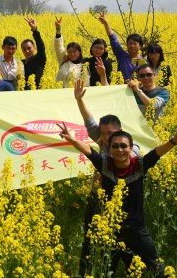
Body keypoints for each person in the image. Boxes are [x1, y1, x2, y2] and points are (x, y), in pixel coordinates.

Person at [59, 122, 177, 277]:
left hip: (136, 227)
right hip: (112, 228)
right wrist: (72, 139)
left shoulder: (139, 165)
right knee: (107, 269)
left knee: (156, 266)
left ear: (130, 148)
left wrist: (174, 140)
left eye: (123, 146)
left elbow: (156, 153)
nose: (119, 150)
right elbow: (89, 151)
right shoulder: (105, 165)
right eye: (115, 146)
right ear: (110, 149)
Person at [73, 79, 140, 277]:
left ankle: (122, 270)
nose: (105, 137)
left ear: (119, 131)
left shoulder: (127, 147)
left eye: (110, 133)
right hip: (97, 197)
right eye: (103, 133)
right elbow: (90, 122)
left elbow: (135, 156)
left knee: (120, 241)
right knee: (90, 236)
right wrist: (79, 100)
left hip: (118, 202)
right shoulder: (103, 142)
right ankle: (86, 272)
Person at [98, 12, 144, 82]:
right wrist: (106, 23)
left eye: (135, 44)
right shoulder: (122, 56)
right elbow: (113, 40)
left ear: (140, 46)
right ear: (127, 44)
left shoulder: (143, 62)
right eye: (130, 43)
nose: (132, 46)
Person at [20, 17, 47, 89]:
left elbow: (41, 47)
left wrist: (35, 30)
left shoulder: (39, 59)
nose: (27, 51)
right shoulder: (20, 63)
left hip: (38, 93)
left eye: (29, 48)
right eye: (24, 49)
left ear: (34, 48)